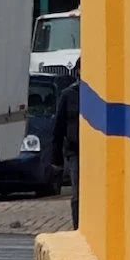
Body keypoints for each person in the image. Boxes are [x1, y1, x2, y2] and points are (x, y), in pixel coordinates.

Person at [52, 65, 80, 231]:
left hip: (96, 152)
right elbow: (58, 128)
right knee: (77, 194)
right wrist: (57, 159)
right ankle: (78, 227)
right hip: (75, 150)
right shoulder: (68, 95)